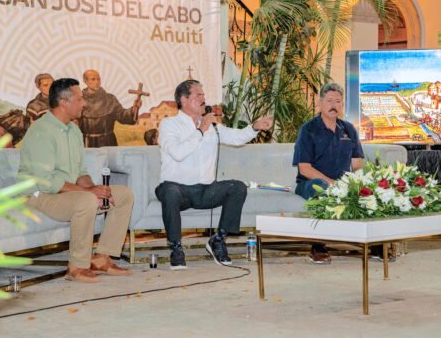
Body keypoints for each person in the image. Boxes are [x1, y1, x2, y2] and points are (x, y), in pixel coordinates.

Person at [19, 78, 134, 283]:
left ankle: (102, 258)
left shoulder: (73, 130)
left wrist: (95, 188)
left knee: (123, 195)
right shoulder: (41, 131)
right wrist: (88, 193)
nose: (84, 103)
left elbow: (80, 171)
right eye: (80, 99)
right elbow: (46, 181)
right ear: (64, 102)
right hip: (37, 195)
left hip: (66, 193)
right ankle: (77, 267)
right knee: (86, 200)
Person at [156, 79, 273, 270]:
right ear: (184, 100)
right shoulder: (170, 124)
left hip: (205, 190)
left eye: (204, 95)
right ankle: (176, 248)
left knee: (237, 187)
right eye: (198, 95)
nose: (204, 99)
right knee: (170, 192)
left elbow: (236, 137)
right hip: (178, 189)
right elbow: (177, 153)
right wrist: (200, 131)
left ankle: (218, 239)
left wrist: (255, 127)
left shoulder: (211, 126)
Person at [293, 82, 394, 264]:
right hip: (310, 183)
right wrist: (332, 183)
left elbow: (357, 164)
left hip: (342, 183)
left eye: (338, 101)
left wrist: (359, 182)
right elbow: (304, 168)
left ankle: (376, 245)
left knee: (370, 188)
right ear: (320, 103)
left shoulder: (349, 129)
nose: (334, 105)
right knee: (321, 187)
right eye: (329, 101)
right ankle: (318, 246)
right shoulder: (308, 130)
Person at [79, 69, 141, 147]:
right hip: (87, 144)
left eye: (98, 79)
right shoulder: (79, 100)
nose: (97, 82)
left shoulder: (110, 99)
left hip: (108, 142)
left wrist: (133, 109)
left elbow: (122, 116)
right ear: (85, 81)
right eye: (93, 79)